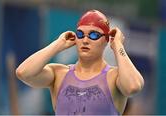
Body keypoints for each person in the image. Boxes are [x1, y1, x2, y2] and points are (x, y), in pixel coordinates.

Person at [16, 10, 144, 115]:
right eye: (80, 34)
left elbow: (133, 86)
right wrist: (58, 44)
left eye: (93, 35)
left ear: (106, 40)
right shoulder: (59, 74)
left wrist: (118, 46)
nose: (85, 40)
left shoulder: (114, 77)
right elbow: (23, 73)